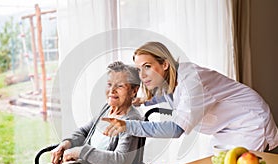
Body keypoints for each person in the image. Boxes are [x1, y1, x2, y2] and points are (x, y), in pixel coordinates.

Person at [103, 41, 278, 152]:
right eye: (139, 69)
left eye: (147, 66)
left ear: (164, 63)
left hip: (249, 122)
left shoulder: (191, 83)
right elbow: (172, 94)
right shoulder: (175, 76)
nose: (142, 75)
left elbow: (176, 129)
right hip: (225, 128)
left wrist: (128, 126)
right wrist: (145, 100)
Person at [12, 61, 143, 164]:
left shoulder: (131, 121)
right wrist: (66, 144)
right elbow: (85, 131)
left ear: (134, 90)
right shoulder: (107, 108)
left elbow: (121, 163)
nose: (112, 90)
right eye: (110, 84)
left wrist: (81, 152)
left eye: (120, 86)